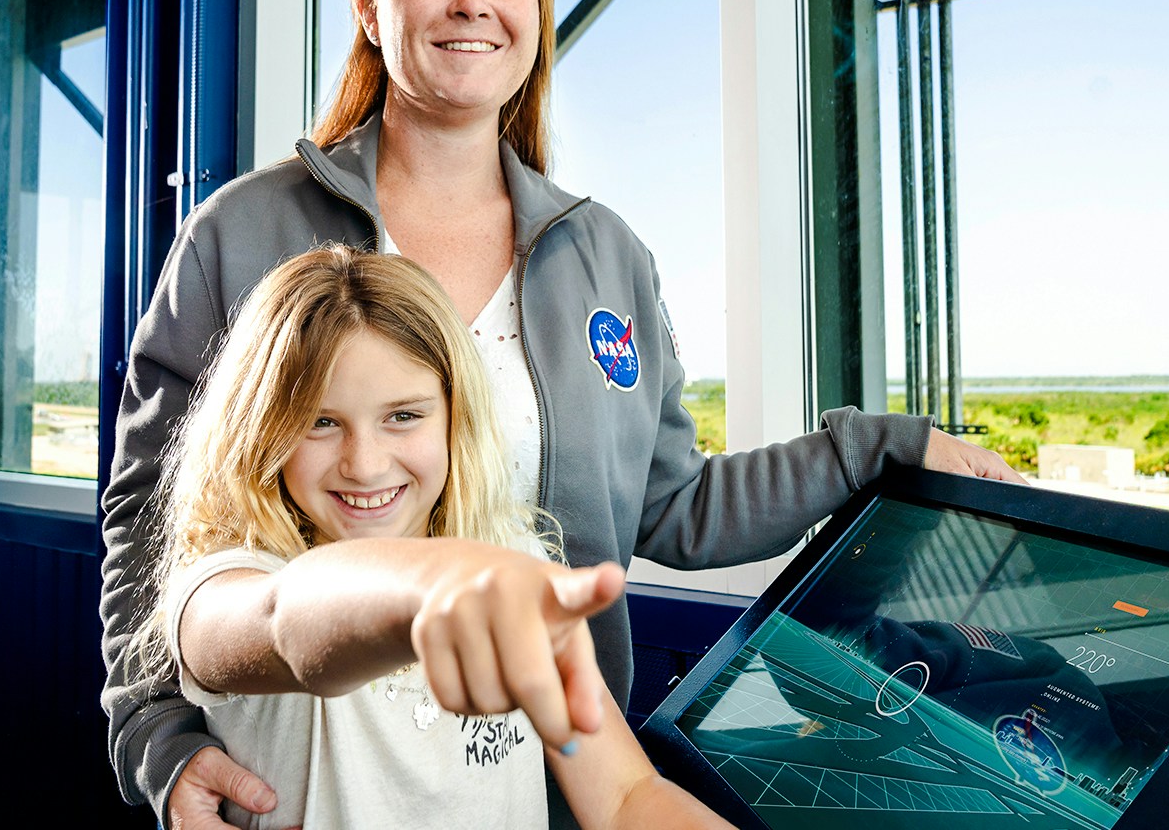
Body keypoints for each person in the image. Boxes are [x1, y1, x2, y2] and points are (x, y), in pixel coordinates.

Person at [99, 0, 1024, 830]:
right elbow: (156, 514)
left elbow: (672, 507)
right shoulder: (240, 233)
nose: (470, 1)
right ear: (369, 7)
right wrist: (152, 732)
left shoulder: (605, 254)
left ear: (535, 15)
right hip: (300, 778)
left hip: (546, 780)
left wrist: (873, 449)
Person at [130, 244, 731, 828]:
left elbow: (626, 797)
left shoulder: (514, 564)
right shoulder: (226, 580)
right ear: (265, 433)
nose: (364, 464)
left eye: (403, 416)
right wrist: (434, 590)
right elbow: (282, 620)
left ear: (455, 417)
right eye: (320, 422)